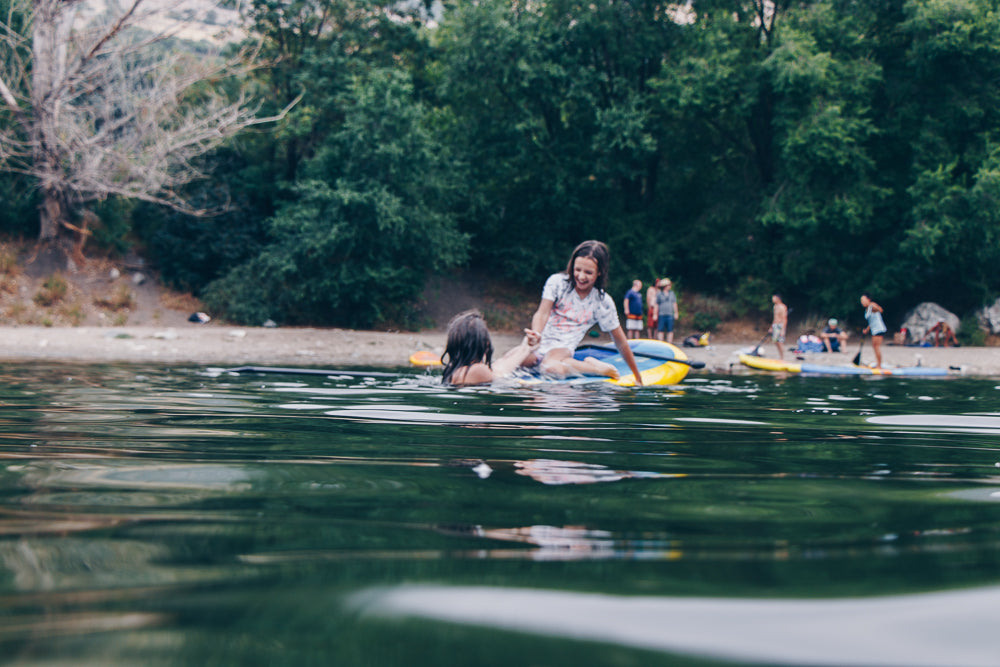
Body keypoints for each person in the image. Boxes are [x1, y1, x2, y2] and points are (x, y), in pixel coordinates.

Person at [523, 240, 643, 384]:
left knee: (549, 368)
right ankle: (580, 365)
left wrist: (638, 377)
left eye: (588, 272)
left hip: (562, 349)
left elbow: (620, 341)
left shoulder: (602, 301)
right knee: (513, 361)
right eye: (577, 269)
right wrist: (536, 334)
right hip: (541, 343)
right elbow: (542, 313)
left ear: (599, 272)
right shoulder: (557, 283)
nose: (581, 276)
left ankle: (595, 368)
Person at [441, 310, 540, 386]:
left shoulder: (455, 369)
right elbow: (500, 371)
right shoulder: (476, 370)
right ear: (484, 343)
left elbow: (501, 364)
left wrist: (526, 347)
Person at [860, 293, 887, 368]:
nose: (862, 302)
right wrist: (867, 329)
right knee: (875, 346)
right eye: (861, 300)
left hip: (879, 328)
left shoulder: (871, 305)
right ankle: (878, 363)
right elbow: (871, 321)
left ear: (868, 300)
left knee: (876, 346)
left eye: (863, 300)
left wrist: (874, 307)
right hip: (874, 329)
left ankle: (879, 365)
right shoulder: (867, 309)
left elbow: (880, 310)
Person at [655, 278, 679, 343]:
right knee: (660, 330)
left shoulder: (672, 293)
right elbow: (656, 304)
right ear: (665, 286)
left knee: (670, 330)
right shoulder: (659, 294)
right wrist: (655, 314)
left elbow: (674, 303)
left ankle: (669, 343)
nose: (670, 286)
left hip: (670, 314)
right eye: (668, 285)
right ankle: (661, 343)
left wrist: (676, 313)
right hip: (661, 314)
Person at [771, 294, 788, 360]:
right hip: (775, 325)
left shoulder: (783, 307)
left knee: (780, 341)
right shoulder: (775, 306)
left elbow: (784, 319)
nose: (773, 300)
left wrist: (783, 330)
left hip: (780, 326)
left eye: (774, 298)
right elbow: (775, 318)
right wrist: (771, 327)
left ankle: (782, 357)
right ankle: (780, 356)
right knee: (775, 341)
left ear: (778, 299)